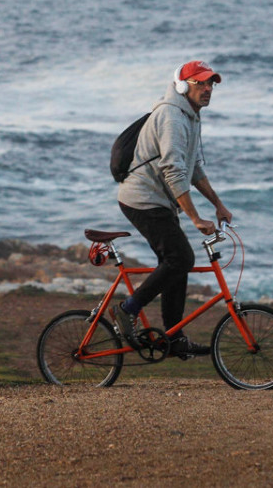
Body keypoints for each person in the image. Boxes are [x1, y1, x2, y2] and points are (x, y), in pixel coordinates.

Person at [115, 60, 233, 357]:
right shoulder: (172, 117)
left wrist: (218, 205)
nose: (208, 89)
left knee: (177, 263)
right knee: (180, 257)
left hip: (159, 202)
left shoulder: (191, 117)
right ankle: (127, 309)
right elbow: (173, 170)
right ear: (183, 86)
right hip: (142, 199)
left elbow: (194, 169)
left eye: (211, 84)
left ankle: (172, 337)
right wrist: (195, 217)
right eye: (201, 84)